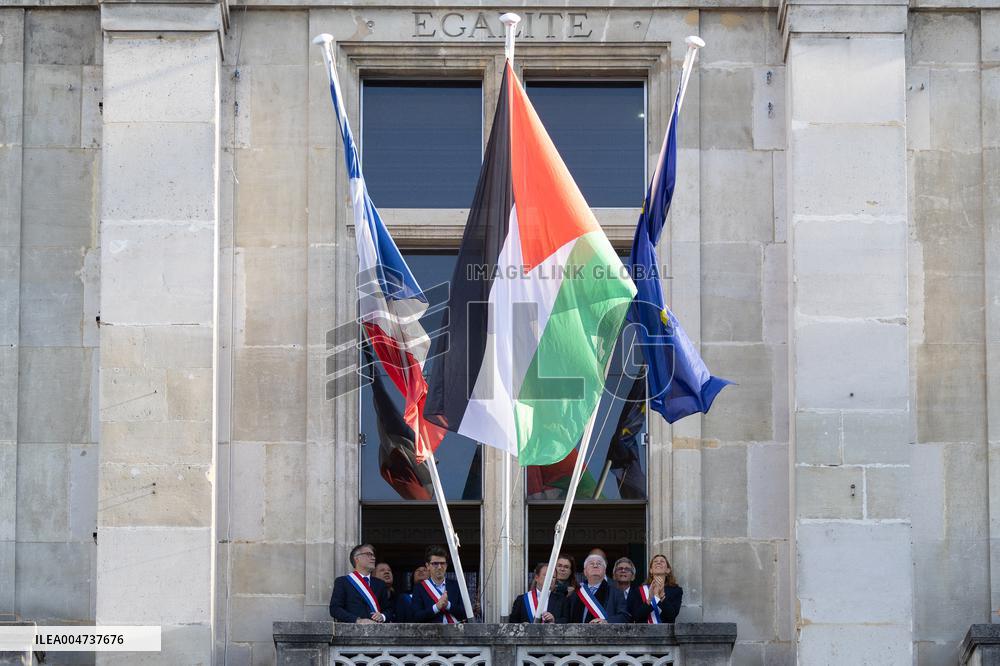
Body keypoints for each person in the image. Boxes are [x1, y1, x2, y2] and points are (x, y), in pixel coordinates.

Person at [329, 544, 392, 623]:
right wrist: (357, 620)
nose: (373, 558)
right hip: (351, 632)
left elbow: (389, 610)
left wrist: (382, 616)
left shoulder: (380, 584)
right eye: (369, 554)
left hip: (377, 631)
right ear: (357, 558)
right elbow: (335, 609)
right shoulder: (343, 582)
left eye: (373, 555)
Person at [559, 554, 628, 624]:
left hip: (604, 633)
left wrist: (607, 621)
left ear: (604, 572)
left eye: (599, 564)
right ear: (585, 572)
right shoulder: (576, 593)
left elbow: (624, 616)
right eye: (591, 564)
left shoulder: (615, 593)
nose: (595, 566)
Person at [410, 545, 469, 623]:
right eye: (435, 563)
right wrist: (436, 607)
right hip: (431, 633)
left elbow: (466, 613)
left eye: (442, 563)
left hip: (455, 633)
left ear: (446, 565)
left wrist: (448, 605)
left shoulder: (456, 586)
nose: (439, 567)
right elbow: (416, 616)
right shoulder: (419, 588)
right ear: (427, 566)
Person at [633, 554, 683, 624]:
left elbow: (672, 616)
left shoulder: (676, 590)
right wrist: (649, 599)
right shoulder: (639, 591)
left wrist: (662, 597)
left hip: (666, 633)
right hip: (644, 632)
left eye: (662, 561)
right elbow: (637, 617)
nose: (658, 562)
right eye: (655, 561)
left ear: (668, 570)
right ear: (651, 570)